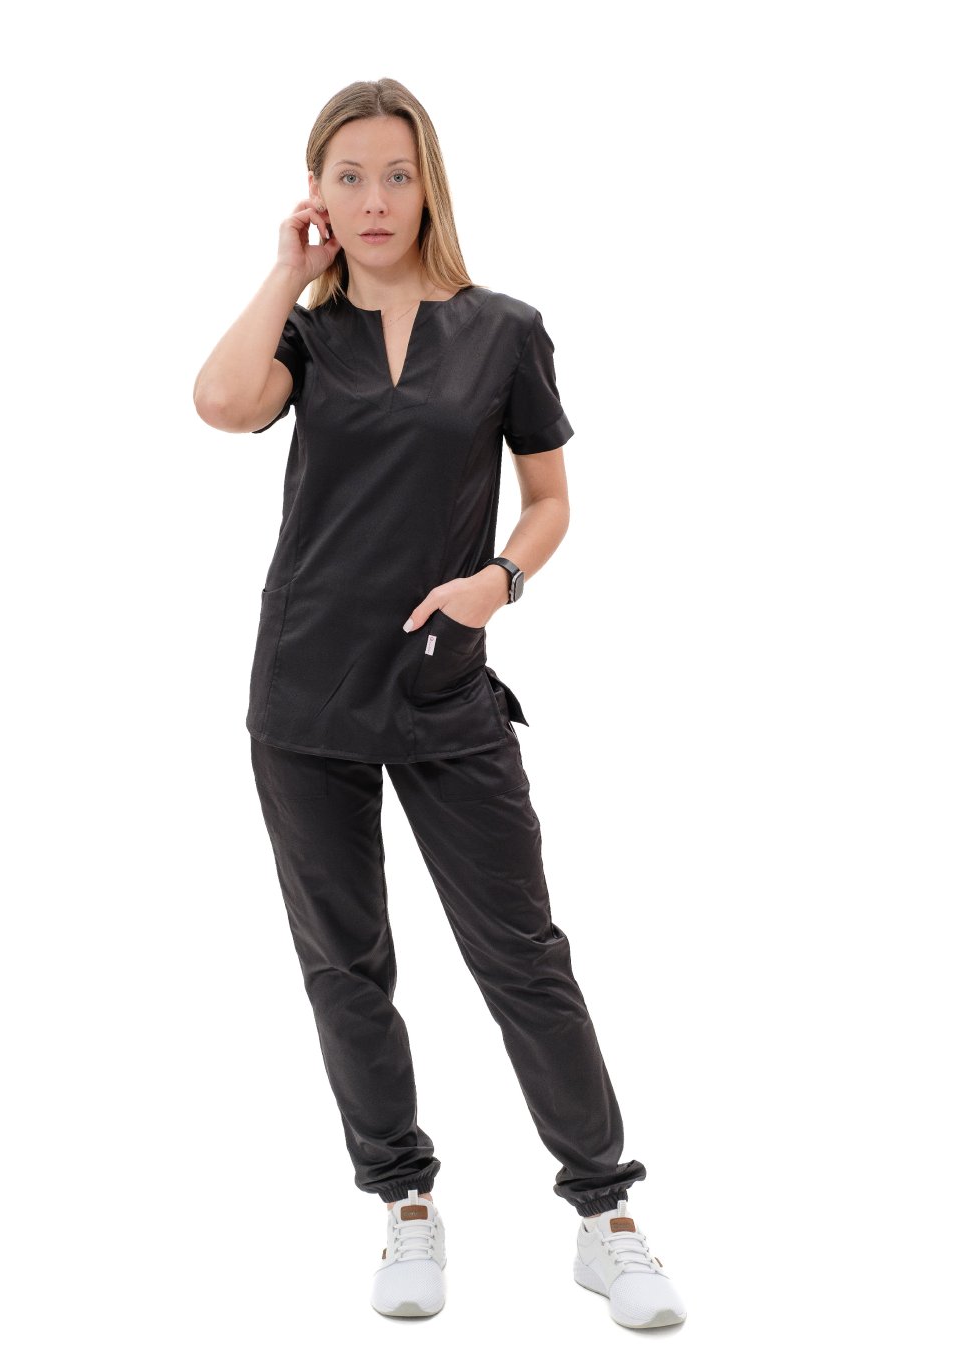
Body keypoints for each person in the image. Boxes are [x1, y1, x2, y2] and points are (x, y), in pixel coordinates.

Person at [193, 77, 686, 1330]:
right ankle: (404, 1203)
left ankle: (605, 1215)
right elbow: (220, 405)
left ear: (430, 187)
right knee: (345, 965)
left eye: (396, 175)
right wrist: (284, 271)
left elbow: (550, 500)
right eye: (348, 177)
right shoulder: (307, 339)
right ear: (317, 193)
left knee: (522, 954)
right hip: (304, 691)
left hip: (444, 683)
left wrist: (498, 581)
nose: (374, 200)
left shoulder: (505, 330)